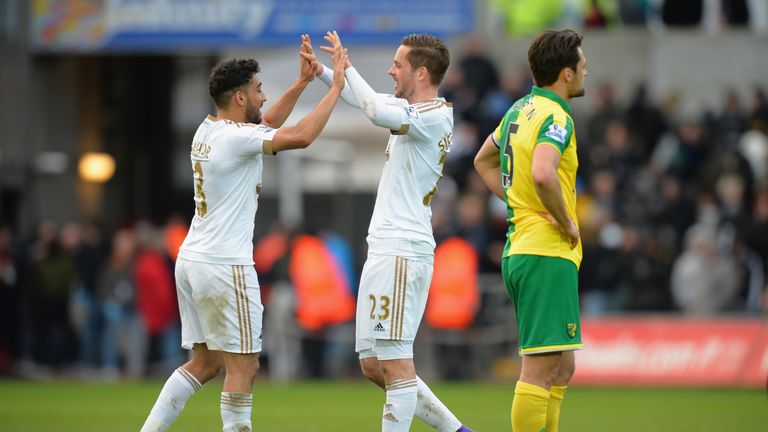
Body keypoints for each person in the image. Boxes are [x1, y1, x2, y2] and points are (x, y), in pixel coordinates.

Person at [140, 34, 348, 432]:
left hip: (193, 259)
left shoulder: (210, 130)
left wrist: (302, 82)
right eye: (258, 90)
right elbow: (300, 136)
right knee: (245, 365)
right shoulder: (237, 139)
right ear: (239, 98)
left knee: (206, 363)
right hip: (225, 265)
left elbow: (266, 124)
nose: (264, 97)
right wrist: (335, 86)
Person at [309, 31, 472, 432]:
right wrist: (324, 72)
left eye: (397, 64)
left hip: (403, 250)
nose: (390, 70)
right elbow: (369, 102)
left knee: (397, 363)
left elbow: (374, 110)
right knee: (372, 364)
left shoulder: (433, 115)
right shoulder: (413, 112)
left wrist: (347, 69)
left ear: (420, 72)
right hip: (386, 249)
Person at [474, 29, 587, 432]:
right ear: (567, 74)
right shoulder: (557, 117)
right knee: (539, 370)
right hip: (544, 252)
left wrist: (515, 203)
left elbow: (483, 160)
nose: (586, 71)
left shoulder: (519, 109)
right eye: (582, 65)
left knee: (562, 366)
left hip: (525, 248)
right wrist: (564, 219)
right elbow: (542, 173)